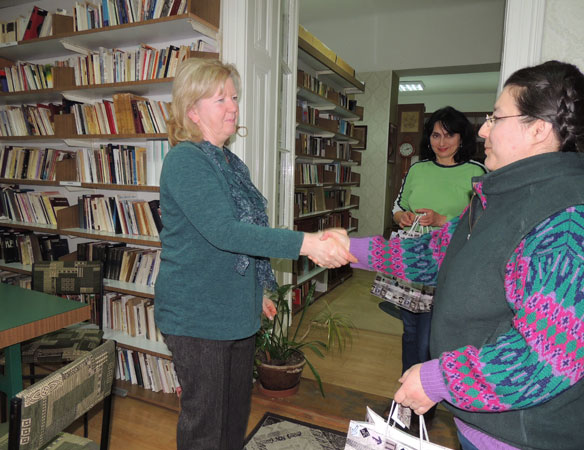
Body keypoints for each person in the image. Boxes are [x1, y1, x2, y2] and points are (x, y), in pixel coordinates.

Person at [329, 60, 584, 449]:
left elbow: (547, 357)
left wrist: (440, 380)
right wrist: (348, 249)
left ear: (538, 129)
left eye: (496, 118)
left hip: (522, 436)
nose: (483, 129)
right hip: (483, 424)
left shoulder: (566, 221)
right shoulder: (503, 194)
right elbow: (434, 250)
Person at [154, 58, 356, 450]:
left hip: (235, 313)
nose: (233, 106)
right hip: (197, 317)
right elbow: (225, 233)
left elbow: (247, 237)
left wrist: (256, 292)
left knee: (233, 417)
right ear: (192, 110)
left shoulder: (232, 164)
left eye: (234, 97)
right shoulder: (185, 161)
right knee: (204, 426)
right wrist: (307, 243)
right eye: (220, 99)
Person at [391, 107, 485, 388]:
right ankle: (407, 391)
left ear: (462, 138)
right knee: (409, 330)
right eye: (435, 134)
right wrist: (401, 217)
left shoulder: (477, 172)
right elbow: (398, 205)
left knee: (429, 335)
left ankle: (425, 395)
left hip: (450, 266)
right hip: (412, 261)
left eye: (449, 135)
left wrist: (441, 220)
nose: (441, 142)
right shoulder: (417, 169)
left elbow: (484, 218)